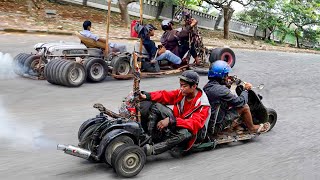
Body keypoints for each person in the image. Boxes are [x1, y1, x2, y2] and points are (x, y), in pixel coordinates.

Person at [139, 70, 211, 155]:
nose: (181, 88)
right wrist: (146, 95)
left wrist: (171, 120)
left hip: (194, 133)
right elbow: (166, 95)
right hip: (178, 121)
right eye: (181, 85)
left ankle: (152, 150)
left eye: (184, 86)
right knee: (157, 106)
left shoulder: (203, 104)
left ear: (194, 86)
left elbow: (194, 124)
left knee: (184, 134)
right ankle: (149, 138)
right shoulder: (183, 93)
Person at [203, 60, 270, 135]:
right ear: (222, 76)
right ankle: (252, 128)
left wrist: (228, 84)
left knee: (230, 104)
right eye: (226, 75)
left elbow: (222, 94)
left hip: (208, 123)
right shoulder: (222, 90)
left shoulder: (208, 86)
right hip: (215, 127)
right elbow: (240, 102)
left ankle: (235, 124)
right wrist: (245, 90)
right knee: (244, 106)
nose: (227, 77)